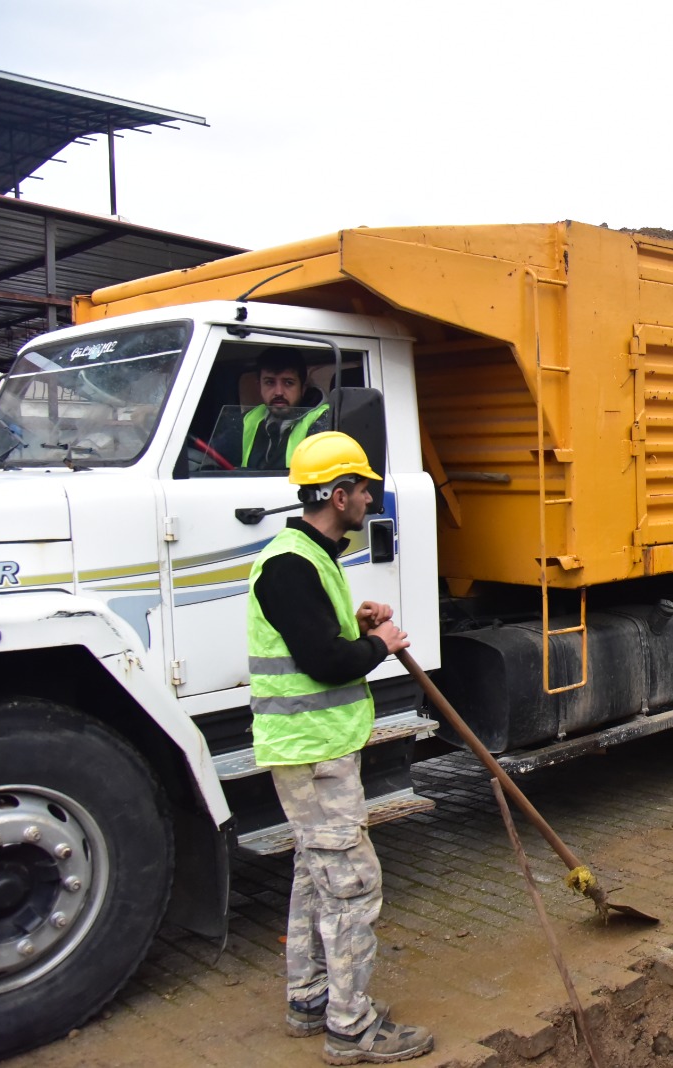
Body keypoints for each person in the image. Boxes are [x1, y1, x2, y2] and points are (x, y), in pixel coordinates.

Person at [247, 431, 433, 1064]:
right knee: (353, 885)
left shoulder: (309, 555)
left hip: (313, 748)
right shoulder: (291, 564)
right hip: (312, 752)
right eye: (362, 488)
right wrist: (380, 644)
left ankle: (308, 999)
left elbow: (314, 636)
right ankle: (352, 1028)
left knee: (315, 877)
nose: (369, 497)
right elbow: (326, 663)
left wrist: (356, 623)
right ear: (337, 493)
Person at [230, 350, 332, 469]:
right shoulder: (250, 418)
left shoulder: (325, 420)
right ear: (259, 386)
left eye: (288, 383)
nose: (278, 392)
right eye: (270, 382)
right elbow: (213, 456)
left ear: (303, 387)